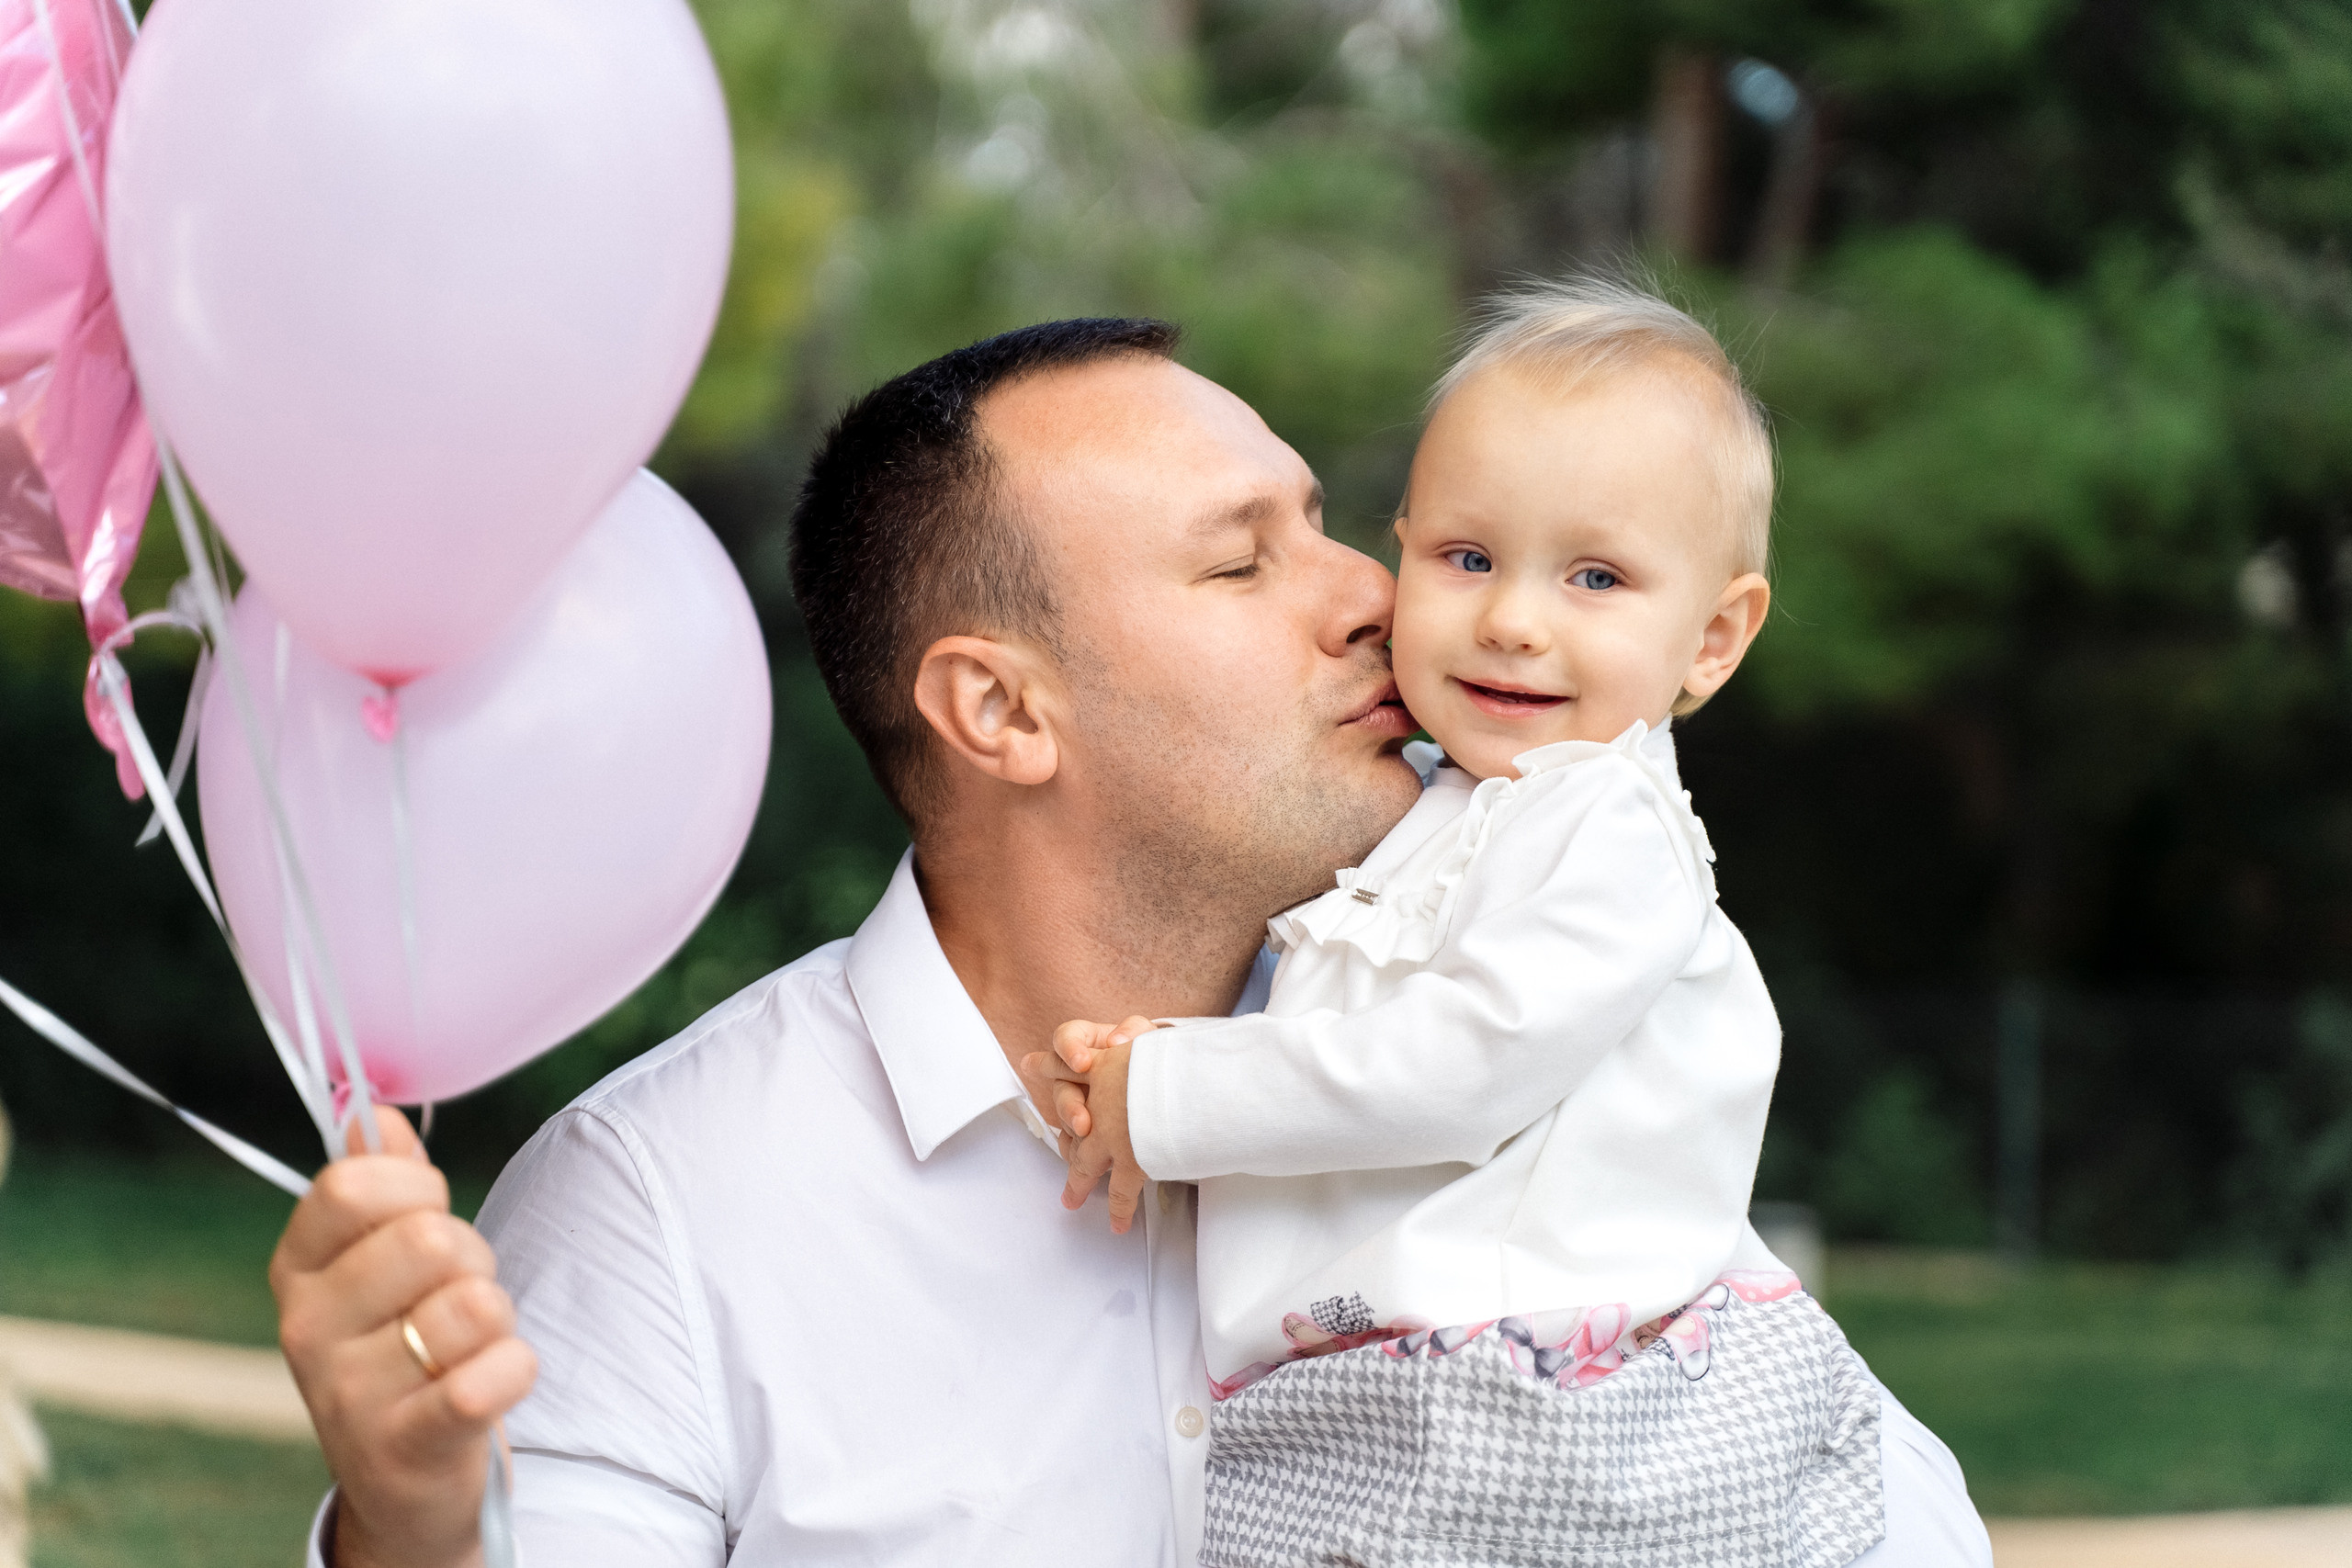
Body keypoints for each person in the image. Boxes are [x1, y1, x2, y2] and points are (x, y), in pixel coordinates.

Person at [269, 318, 1993, 1567]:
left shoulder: (1534, 1030)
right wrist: (420, 1540)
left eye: (1332, 525)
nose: (1376, 601)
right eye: (1246, 566)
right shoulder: (663, 1214)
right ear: (1003, 710)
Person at [1032, 279, 1881, 1568]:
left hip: (1521, 1417)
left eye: (1595, 577)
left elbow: (1461, 1065)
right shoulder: (1436, 805)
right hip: (1355, 1409)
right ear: (1407, 545)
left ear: (1712, 638)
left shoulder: (1612, 832)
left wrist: (1174, 1098)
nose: (1513, 619)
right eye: (1467, 558)